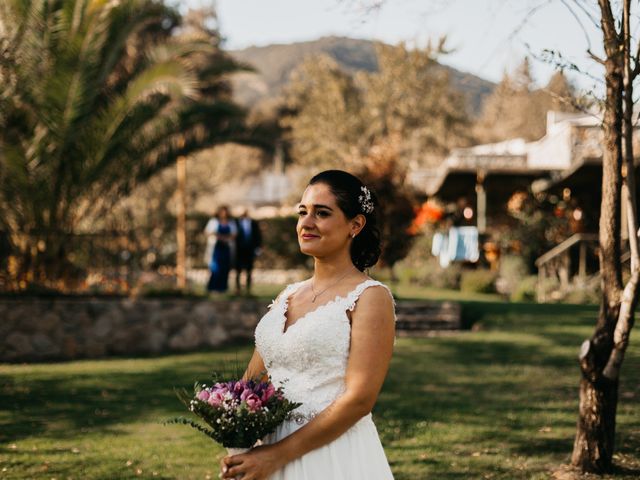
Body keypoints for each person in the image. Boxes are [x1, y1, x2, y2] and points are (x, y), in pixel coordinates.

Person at [220, 170, 396, 479]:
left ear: (355, 225)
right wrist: (235, 436)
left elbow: (360, 399)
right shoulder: (287, 295)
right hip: (265, 453)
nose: (307, 222)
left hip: (331, 455)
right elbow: (254, 380)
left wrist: (277, 455)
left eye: (322, 213)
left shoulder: (370, 298)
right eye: (303, 212)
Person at [204, 205, 237, 293]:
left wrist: (226, 238)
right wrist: (217, 236)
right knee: (215, 268)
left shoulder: (231, 222)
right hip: (216, 248)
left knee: (224, 268)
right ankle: (213, 287)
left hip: (226, 248)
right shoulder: (213, 221)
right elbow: (207, 232)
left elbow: (234, 234)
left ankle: (223, 288)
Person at [234, 208, 262, 295]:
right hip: (239, 250)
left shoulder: (253, 223)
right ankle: (237, 289)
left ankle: (248, 290)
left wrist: (258, 248)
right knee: (238, 270)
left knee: (249, 270)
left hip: (250, 250)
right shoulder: (236, 222)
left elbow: (258, 236)